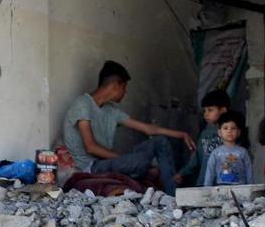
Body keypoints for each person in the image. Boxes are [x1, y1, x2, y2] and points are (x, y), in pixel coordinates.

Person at [61, 61, 196, 195]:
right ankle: (142, 172)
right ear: (115, 85)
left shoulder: (111, 110)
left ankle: (172, 195)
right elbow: (91, 147)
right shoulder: (82, 105)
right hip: (91, 166)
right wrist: (121, 159)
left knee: (160, 142)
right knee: (139, 161)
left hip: (110, 162)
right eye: (124, 87)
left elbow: (148, 129)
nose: (125, 92)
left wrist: (181, 134)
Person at [178, 89, 231, 187]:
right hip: (204, 183)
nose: (206, 114)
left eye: (210, 110)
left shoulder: (231, 134)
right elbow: (196, 158)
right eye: (204, 110)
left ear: (223, 110)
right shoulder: (205, 134)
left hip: (226, 185)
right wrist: (182, 173)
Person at [203, 112, 253, 186]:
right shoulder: (215, 153)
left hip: (241, 187)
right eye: (225, 128)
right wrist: (206, 189)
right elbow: (210, 172)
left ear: (238, 132)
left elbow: (249, 171)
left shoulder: (243, 152)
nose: (229, 131)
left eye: (233, 128)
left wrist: (251, 187)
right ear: (220, 132)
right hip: (221, 187)